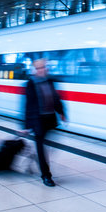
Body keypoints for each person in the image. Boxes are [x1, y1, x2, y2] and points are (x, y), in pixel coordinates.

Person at [22, 59, 65, 187]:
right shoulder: (30, 84)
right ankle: (46, 176)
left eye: (44, 67)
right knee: (41, 149)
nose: (42, 70)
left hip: (50, 119)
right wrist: (26, 126)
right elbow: (28, 105)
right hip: (38, 121)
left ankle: (34, 158)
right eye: (39, 68)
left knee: (49, 148)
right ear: (35, 70)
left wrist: (62, 113)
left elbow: (56, 98)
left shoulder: (50, 81)